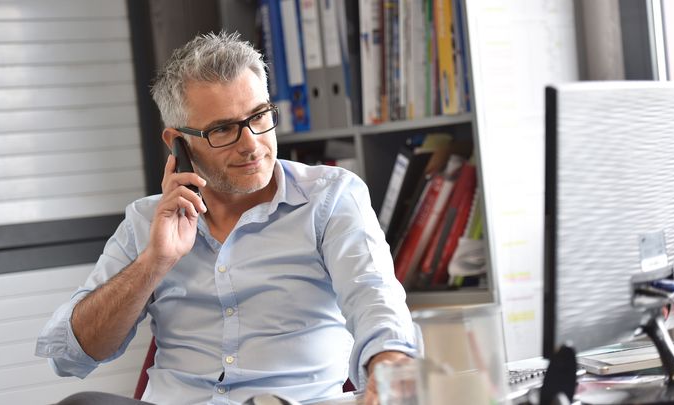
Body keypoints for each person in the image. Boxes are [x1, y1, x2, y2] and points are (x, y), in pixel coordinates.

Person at [36, 31, 421, 405]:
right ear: (178, 144)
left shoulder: (331, 198)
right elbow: (71, 356)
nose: (252, 144)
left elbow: (375, 296)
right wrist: (154, 262)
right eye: (223, 129)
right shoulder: (146, 222)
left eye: (259, 116)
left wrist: (389, 364)